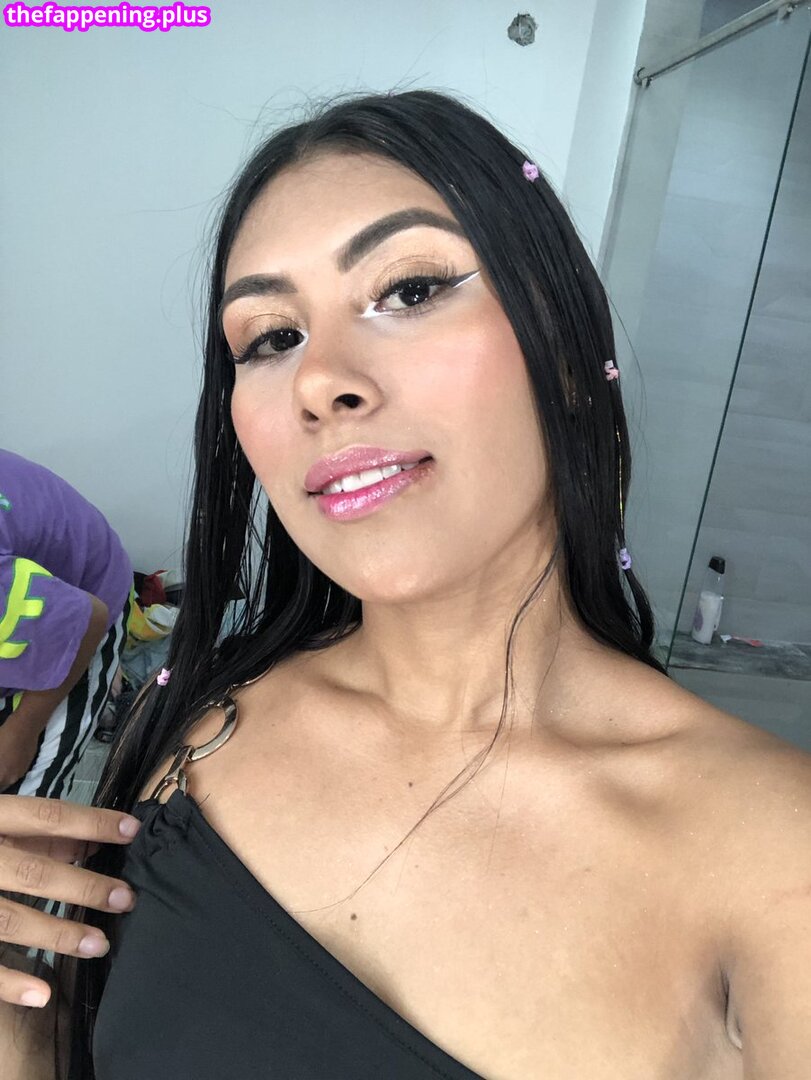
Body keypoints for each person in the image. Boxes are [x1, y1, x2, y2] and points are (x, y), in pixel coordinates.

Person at [0, 90, 809, 1079]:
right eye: (271, 338)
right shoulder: (202, 717)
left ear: (563, 348)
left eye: (411, 289)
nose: (319, 380)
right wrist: (16, 1019)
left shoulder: (771, 852)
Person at [0, 450, 133, 800]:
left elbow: (89, 618)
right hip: (30, 577)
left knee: (26, 790)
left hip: (86, 603)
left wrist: (22, 732)